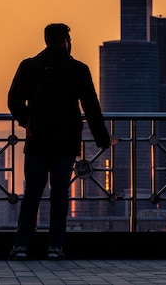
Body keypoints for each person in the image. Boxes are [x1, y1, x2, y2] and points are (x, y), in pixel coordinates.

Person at [7, 23, 110, 260]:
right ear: (66, 41)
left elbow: (13, 100)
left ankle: (21, 245)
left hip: (37, 141)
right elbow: (91, 107)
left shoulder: (29, 66)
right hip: (65, 141)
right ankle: (56, 246)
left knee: (32, 193)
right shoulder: (77, 69)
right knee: (60, 194)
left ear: (46, 40)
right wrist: (102, 138)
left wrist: (27, 122)